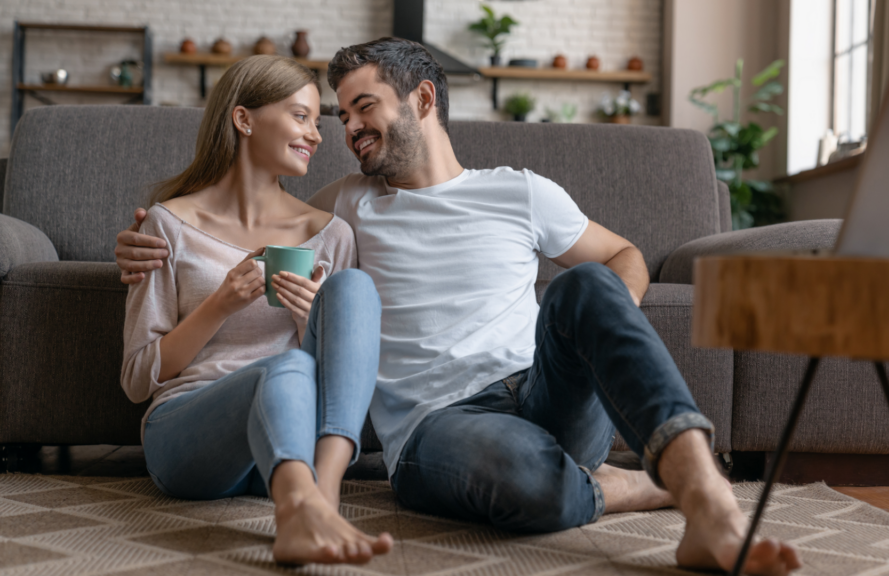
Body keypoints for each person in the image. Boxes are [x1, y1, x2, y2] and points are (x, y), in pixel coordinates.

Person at [117, 39, 801, 575]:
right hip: (439, 425)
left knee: (587, 285)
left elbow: (623, 255)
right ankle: (615, 487)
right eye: (339, 114)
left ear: (421, 99)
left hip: (543, 389)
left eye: (363, 107)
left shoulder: (522, 191)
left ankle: (708, 505)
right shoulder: (350, 202)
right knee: (530, 483)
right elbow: (258, 221)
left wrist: (607, 319)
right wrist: (151, 236)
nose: (347, 128)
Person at [119, 55, 393, 565]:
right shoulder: (168, 225)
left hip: (294, 434)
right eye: (299, 116)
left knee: (351, 288)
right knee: (285, 366)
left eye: (317, 120)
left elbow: (347, 375)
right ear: (244, 119)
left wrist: (313, 321)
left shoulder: (331, 233)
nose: (314, 134)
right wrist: (220, 303)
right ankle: (300, 506)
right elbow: (137, 380)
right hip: (192, 438)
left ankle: (312, 500)